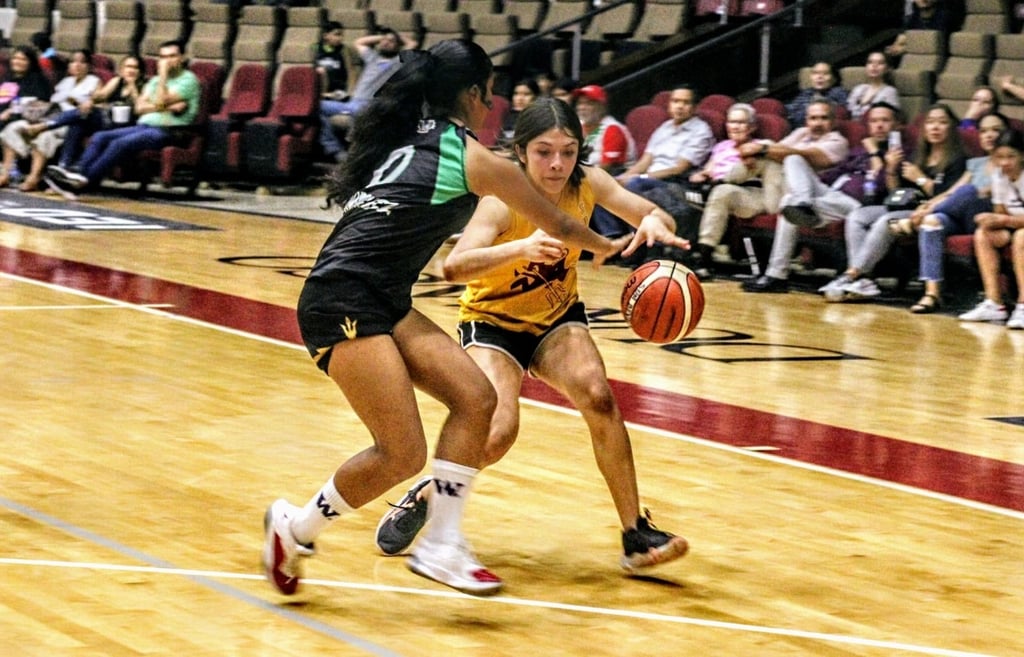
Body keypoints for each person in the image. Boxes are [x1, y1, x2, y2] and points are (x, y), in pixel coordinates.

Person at [262, 40, 647, 599]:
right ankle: (295, 528)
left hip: (383, 296)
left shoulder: (409, 137)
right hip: (342, 300)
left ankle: (441, 543)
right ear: (473, 94)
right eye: (488, 92)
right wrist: (609, 249)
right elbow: (561, 226)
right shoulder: (473, 160)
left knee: (477, 400)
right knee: (402, 453)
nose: (490, 103)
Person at [372, 97, 690, 572]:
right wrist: (521, 247)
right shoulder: (501, 201)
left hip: (556, 318)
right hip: (493, 322)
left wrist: (654, 220)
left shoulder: (588, 182)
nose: (557, 162)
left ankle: (635, 533)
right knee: (497, 433)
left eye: (567, 150)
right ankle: (426, 493)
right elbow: (451, 266)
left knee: (598, 396)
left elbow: (649, 213)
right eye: (544, 151)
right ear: (521, 152)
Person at [743, 102, 897, 293]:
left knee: (790, 200)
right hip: (831, 194)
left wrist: (876, 153)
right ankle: (777, 274)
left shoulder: (896, 153)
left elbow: (883, 184)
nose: (879, 125)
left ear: (895, 125)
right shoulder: (859, 150)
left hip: (857, 206)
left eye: (885, 121)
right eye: (874, 121)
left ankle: (777, 274)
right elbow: (835, 173)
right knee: (791, 179)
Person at [820, 103, 966, 301]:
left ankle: (852, 274)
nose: (935, 127)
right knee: (857, 216)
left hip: (929, 211)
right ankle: (864, 280)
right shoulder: (918, 154)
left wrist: (920, 178)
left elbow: (948, 197)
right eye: (930, 122)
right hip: (906, 206)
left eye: (942, 123)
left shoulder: (958, 159)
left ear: (951, 127)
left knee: (886, 221)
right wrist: (890, 168)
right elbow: (896, 193)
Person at [692, 99, 847, 281]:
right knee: (723, 193)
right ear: (806, 120)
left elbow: (810, 157)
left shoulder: (837, 141)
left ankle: (718, 181)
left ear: (834, 121)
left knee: (775, 158)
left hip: (801, 199)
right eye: (813, 118)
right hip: (771, 192)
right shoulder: (801, 133)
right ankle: (704, 260)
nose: (817, 123)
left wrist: (760, 150)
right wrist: (757, 151)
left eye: (823, 118)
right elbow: (775, 148)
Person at [43, 40, 200, 197]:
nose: (166, 61)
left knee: (120, 143)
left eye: (171, 56)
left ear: (182, 58)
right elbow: (139, 108)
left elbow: (159, 100)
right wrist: (165, 106)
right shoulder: (154, 81)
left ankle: (84, 180)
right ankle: (77, 173)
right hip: (144, 125)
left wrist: (163, 78)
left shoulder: (188, 80)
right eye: (163, 57)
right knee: (100, 136)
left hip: (170, 131)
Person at [903, 111, 1008, 313]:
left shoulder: (1012, 161)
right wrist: (927, 206)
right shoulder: (976, 163)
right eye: (984, 131)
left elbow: (986, 191)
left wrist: (929, 207)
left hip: (987, 217)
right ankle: (932, 293)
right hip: (961, 214)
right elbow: (952, 192)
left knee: (969, 191)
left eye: (996, 130)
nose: (989, 135)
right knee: (932, 221)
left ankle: (912, 222)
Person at [590, 85, 714, 244]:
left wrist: (638, 177)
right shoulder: (665, 128)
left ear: (695, 107)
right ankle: (614, 237)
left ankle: (638, 243)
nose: (680, 106)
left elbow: (679, 168)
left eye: (686, 102)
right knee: (603, 182)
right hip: (647, 178)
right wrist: (623, 177)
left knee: (635, 185)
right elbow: (646, 160)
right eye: (676, 101)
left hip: (674, 183)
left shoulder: (700, 131)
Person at [0, 49, 100, 191]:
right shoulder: (65, 82)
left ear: (89, 66)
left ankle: (34, 177)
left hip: (68, 122)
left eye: (82, 62)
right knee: (13, 127)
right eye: (73, 61)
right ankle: (6, 173)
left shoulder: (94, 82)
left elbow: (95, 103)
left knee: (45, 135)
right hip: (46, 117)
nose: (77, 65)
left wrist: (78, 102)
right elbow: (50, 103)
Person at [318, 28, 418, 162]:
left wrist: (395, 35)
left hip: (371, 105)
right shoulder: (372, 57)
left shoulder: (398, 61)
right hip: (352, 103)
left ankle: (337, 151)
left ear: (398, 45)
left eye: (391, 42)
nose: (386, 43)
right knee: (314, 106)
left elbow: (412, 44)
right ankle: (334, 149)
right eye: (384, 41)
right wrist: (383, 37)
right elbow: (359, 42)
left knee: (360, 114)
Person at [958, 128, 1024, 329]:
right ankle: (994, 302)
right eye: (1000, 157)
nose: (1005, 162)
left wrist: (1003, 221)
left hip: (1021, 229)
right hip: (1014, 224)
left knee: (1022, 237)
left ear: (1022, 156)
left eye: (1010, 157)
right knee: (983, 234)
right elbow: (1001, 213)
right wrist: (991, 221)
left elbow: (1004, 219)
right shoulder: (998, 176)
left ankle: (1022, 305)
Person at [574, 84, 636, 175]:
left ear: (602, 107)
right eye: (580, 103)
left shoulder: (613, 130)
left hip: (613, 179)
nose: (582, 107)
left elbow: (605, 169)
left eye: (589, 103)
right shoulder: (579, 125)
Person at [884, 0, 954, 65]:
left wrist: (904, 49)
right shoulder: (913, 16)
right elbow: (903, 36)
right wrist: (894, 47)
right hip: (914, 58)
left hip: (935, 59)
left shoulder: (944, 16)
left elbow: (935, 43)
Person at [0, 45, 53, 130]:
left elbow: (36, 103)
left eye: (23, 59)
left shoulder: (38, 81)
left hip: (18, 119)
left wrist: (10, 111)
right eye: (15, 58)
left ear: (31, 62)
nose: (17, 62)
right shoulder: (6, 79)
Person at [785, 61, 848, 128]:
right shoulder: (807, 92)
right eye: (815, 73)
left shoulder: (838, 92)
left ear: (834, 79)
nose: (819, 77)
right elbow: (792, 108)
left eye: (825, 73)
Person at [846, 52, 901, 120]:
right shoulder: (858, 89)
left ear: (887, 69)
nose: (874, 65)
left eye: (880, 63)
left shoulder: (890, 91)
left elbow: (891, 118)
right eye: (870, 62)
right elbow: (848, 112)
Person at [315, 21, 356, 102]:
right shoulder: (315, 48)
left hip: (338, 91)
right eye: (337, 34)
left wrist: (351, 93)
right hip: (320, 90)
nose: (340, 38)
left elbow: (351, 72)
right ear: (325, 36)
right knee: (320, 71)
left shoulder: (343, 50)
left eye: (341, 35)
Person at [499, 77, 540, 146]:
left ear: (536, 97)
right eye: (516, 94)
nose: (520, 98)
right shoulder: (507, 117)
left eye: (526, 94)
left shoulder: (540, 119)